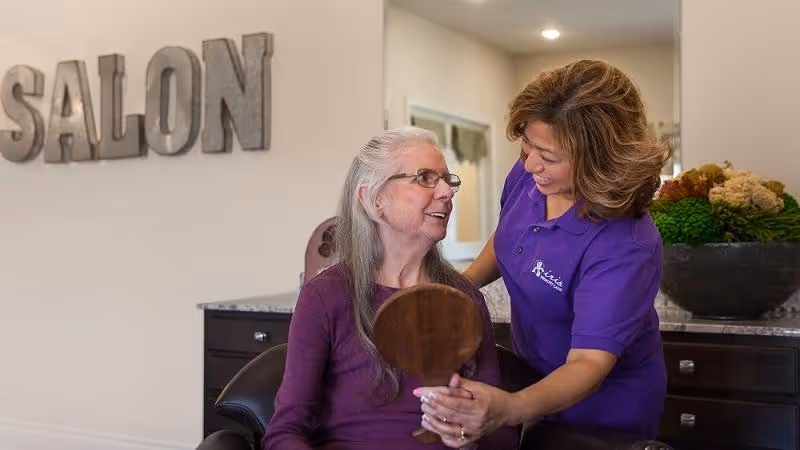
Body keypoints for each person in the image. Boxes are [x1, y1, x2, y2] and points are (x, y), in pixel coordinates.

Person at [414, 59, 670, 448]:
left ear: (601, 160)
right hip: (531, 378)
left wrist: (510, 407)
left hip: (603, 411)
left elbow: (588, 364)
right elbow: (509, 239)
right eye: (527, 146)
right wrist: (459, 288)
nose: (531, 164)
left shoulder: (625, 245)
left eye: (548, 157)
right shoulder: (529, 177)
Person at [263, 127, 519, 450]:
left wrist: (471, 438)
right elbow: (284, 433)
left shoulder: (465, 300)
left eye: (447, 179)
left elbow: (502, 435)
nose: (446, 192)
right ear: (374, 200)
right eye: (425, 178)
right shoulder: (324, 298)